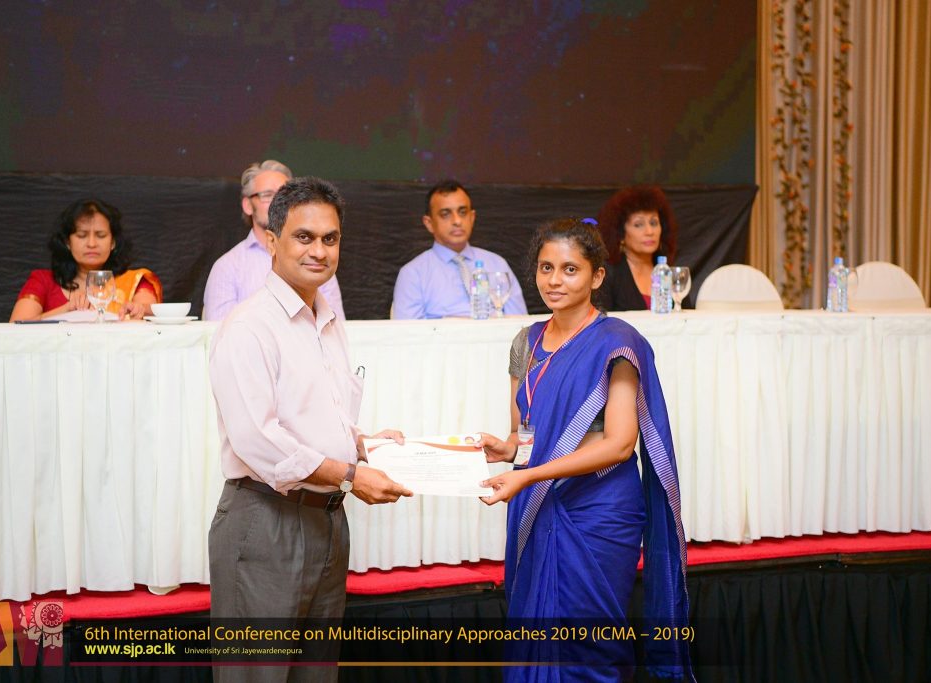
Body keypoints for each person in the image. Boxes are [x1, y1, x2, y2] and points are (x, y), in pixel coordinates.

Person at [207, 176, 411, 683]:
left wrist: (363, 443)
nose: (319, 251)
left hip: (327, 521)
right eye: (304, 237)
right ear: (271, 241)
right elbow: (259, 440)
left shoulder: (328, 319)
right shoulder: (249, 326)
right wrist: (351, 475)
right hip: (265, 521)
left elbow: (318, 416)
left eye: (330, 238)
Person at [477, 218, 692, 681]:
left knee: (592, 642)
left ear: (597, 276)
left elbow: (619, 444)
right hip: (538, 502)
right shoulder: (526, 342)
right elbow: (526, 433)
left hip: (599, 509)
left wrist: (528, 474)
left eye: (570, 269)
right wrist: (506, 448)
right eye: (546, 268)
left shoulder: (617, 342)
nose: (554, 280)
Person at [203, 160, 345, 321]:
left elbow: (335, 326)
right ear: (248, 205)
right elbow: (220, 331)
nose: (277, 203)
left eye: (284, 196)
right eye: (267, 195)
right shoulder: (227, 267)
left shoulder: (316, 262)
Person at [392, 179, 527, 319]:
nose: (457, 221)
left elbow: (520, 323)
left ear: (472, 217)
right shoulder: (413, 274)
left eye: (463, 212)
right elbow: (407, 331)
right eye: (445, 214)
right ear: (429, 223)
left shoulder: (497, 264)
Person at [10, 198, 162, 321]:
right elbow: (16, 326)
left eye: (100, 235)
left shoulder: (134, 281)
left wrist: (138, 310)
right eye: (82, 235)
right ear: (67, 242)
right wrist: (66, 310)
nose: (91, 243)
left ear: (113, 242)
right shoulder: (42, 280)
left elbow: (149, 311)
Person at [596, 184, 678, 311]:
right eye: (638, 225)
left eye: (654, 223)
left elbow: (688, 317)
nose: (649, 231)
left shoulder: (666, 270)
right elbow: (601, 320)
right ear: (620, 233)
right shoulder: (608, 274)